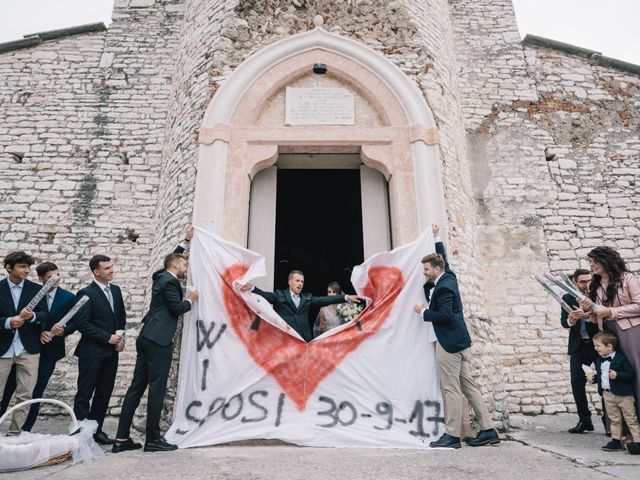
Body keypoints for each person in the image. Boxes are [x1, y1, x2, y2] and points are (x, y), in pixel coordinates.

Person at [113, 230, 198, 453]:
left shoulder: (160, 276)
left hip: (146, 336)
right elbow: (177, 309)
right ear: (176, 266)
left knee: (136, 387)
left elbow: (170, 258)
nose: (186, 268)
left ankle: (121, 439)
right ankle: (153, 439)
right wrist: (191, 298)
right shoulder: (170, 283)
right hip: (159, 339)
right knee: (157, 388)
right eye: (184, 264)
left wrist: (185, 242)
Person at [414, 226, 499, 449]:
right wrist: (436, 238)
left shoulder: (443, 288)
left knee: (450, 388)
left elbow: (444, 315)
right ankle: (489, 429)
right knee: (469, 386)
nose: (424, 272)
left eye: (426, 269)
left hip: (449, 344)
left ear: (436, 268)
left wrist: (422, 312)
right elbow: (446, 260)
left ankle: (452, 436)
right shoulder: (448, 275)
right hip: (461, 342)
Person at [0, 262, 76, 431]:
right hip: (22, 348)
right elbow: (26, 316)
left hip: (49, 351)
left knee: (33, 394)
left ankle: (23, 431)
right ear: (41, 278)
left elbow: (74, 323)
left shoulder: (69, 297)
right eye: (50, 277)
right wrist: (41, 329)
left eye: (57, 276)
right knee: (5, 391)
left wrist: (61, 331)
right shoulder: (31, 292)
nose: (55, 280)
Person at [578, 246, 640, 415]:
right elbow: (596, 315)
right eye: (589, 262)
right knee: (609, 375)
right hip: (607, 334)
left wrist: (611, 312)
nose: (591, 265)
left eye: (594, 261)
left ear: (606, 260)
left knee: (634, 372)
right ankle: (617, 431)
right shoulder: (595, 285)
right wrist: (585, 313)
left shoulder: (628, 279)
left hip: (630, 332)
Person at [73, 254, 126, 445]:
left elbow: (121, 318)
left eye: (112, 267)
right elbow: (81, 323)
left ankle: (97, 430)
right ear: (96, 272)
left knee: (104, 393)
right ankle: (82, 433)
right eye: (107, 268)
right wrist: (107, 338)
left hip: (111, 353)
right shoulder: (85, 293)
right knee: (85, 394)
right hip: (91, 352)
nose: (112, 270)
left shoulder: (117, 291)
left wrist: (121, 339)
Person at [237, 270, 363, 342]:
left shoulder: (307, 298)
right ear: (290, 282)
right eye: (297, 281)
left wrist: (345, 297)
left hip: (304, 340)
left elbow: (324, 300)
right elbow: (264, 295)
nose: (300, 284)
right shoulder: (280, 295)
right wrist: (252, 288)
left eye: (302, 281)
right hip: (286, 339)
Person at [0, 251, 48, 435]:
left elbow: (45, 314)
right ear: (9, 267)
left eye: (28, 267)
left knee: (25, 395)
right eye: (22, 266)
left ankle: (15, 434)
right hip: (2, 349)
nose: (27, 270)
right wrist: (7, 322)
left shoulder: (36, 290)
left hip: (29, 350)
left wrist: (33, 316)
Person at [560, 268, 603, 434]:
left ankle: (609, 423)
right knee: (577, 382)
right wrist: (571, 319)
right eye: (582, 282)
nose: (586, 285)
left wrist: (588, 313)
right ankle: (584, 421)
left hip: (599, 345)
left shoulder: (598, 295)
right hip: (579, 346)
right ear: (574, 283)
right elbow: (564, 323)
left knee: (603, 383)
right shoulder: (568, 297)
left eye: (589, 281)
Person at [590, 331, 640, 454]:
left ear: (609, 346)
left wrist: (618, 375)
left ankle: (637, 441)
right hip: (608, 394)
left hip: (624, 396)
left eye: (597, 345)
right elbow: (602, 376)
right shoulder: (598, 361)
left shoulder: (621, 359)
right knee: (614, 419)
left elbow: (631, 374)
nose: (595, 348)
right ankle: (616, 441)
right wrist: (594, 379)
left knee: (631, 418)